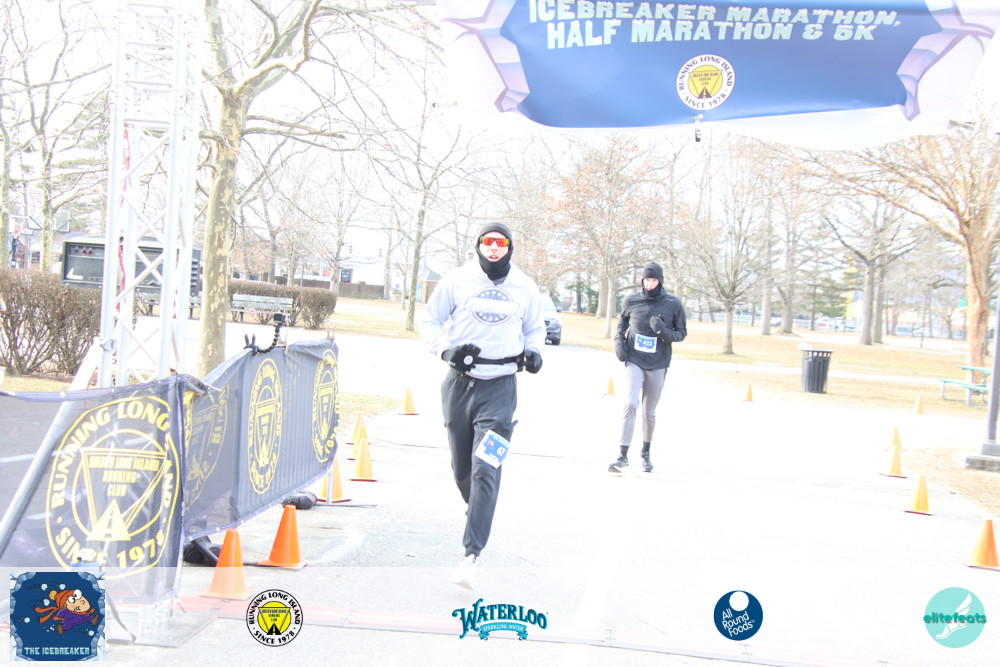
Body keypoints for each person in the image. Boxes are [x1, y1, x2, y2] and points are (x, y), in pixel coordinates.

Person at [420, 222, 545, 589]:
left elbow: (535, 328)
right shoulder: (457, 280)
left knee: (485, 469)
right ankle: (477, 510)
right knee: (462, 470)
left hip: (501, 390)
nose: (493, 247)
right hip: (459, 386)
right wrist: (445, 350)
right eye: (487, 241)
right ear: (478, 246)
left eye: (500, 242)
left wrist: (535, 352)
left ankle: (470, 556)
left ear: (509, 247)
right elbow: (430, 320)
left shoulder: (525, 286)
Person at [610, 261, 686, 473]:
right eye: (646, 280)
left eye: (653, 280)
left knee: (648, 411)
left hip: (658, 363)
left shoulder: (673, 304)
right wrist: (619, 344)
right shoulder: (631, 300)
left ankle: (645, 453)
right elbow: (622, 324)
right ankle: (622, 455)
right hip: (634, 360)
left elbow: (681, 333)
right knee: (630, 403)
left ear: (660, 281)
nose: (649, 284)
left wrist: (663, 331)